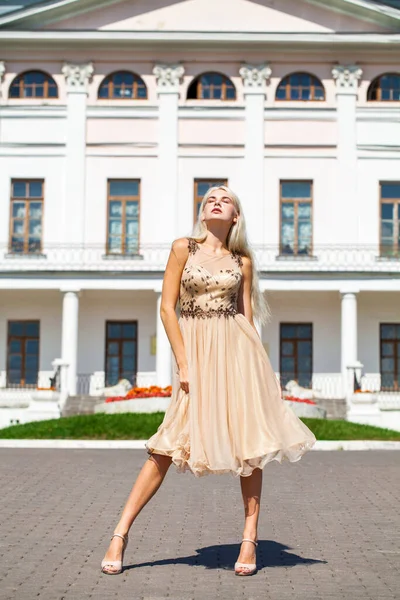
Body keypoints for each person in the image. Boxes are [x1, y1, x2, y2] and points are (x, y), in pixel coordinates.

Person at [101, 185, 317, 577]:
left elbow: (246, 321)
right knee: (165, 446)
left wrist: (259, 371)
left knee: (252, 444)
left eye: (225, 198)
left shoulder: (242, 262)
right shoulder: (182, 248)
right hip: (195, 354)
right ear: (203, 213)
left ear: (235, 215)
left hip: (236, 354)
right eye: (210, 199)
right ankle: (119, 532)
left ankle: (249, 538)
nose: (216, 201)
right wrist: (184, 363)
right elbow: (167, 308)